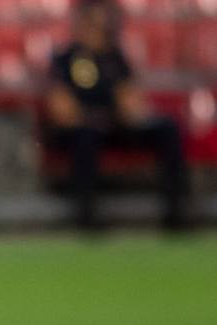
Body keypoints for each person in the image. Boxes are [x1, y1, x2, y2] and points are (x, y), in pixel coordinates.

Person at [44, 0, 189, 229]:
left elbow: (131, 104)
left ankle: (176, 213)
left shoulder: (115, 58)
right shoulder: (64, 58)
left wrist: (125, 111)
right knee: (86, 136)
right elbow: (62, 109)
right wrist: (95, 115)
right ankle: (86, 217)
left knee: (168, 129)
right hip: (84, 130)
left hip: (114, 127)